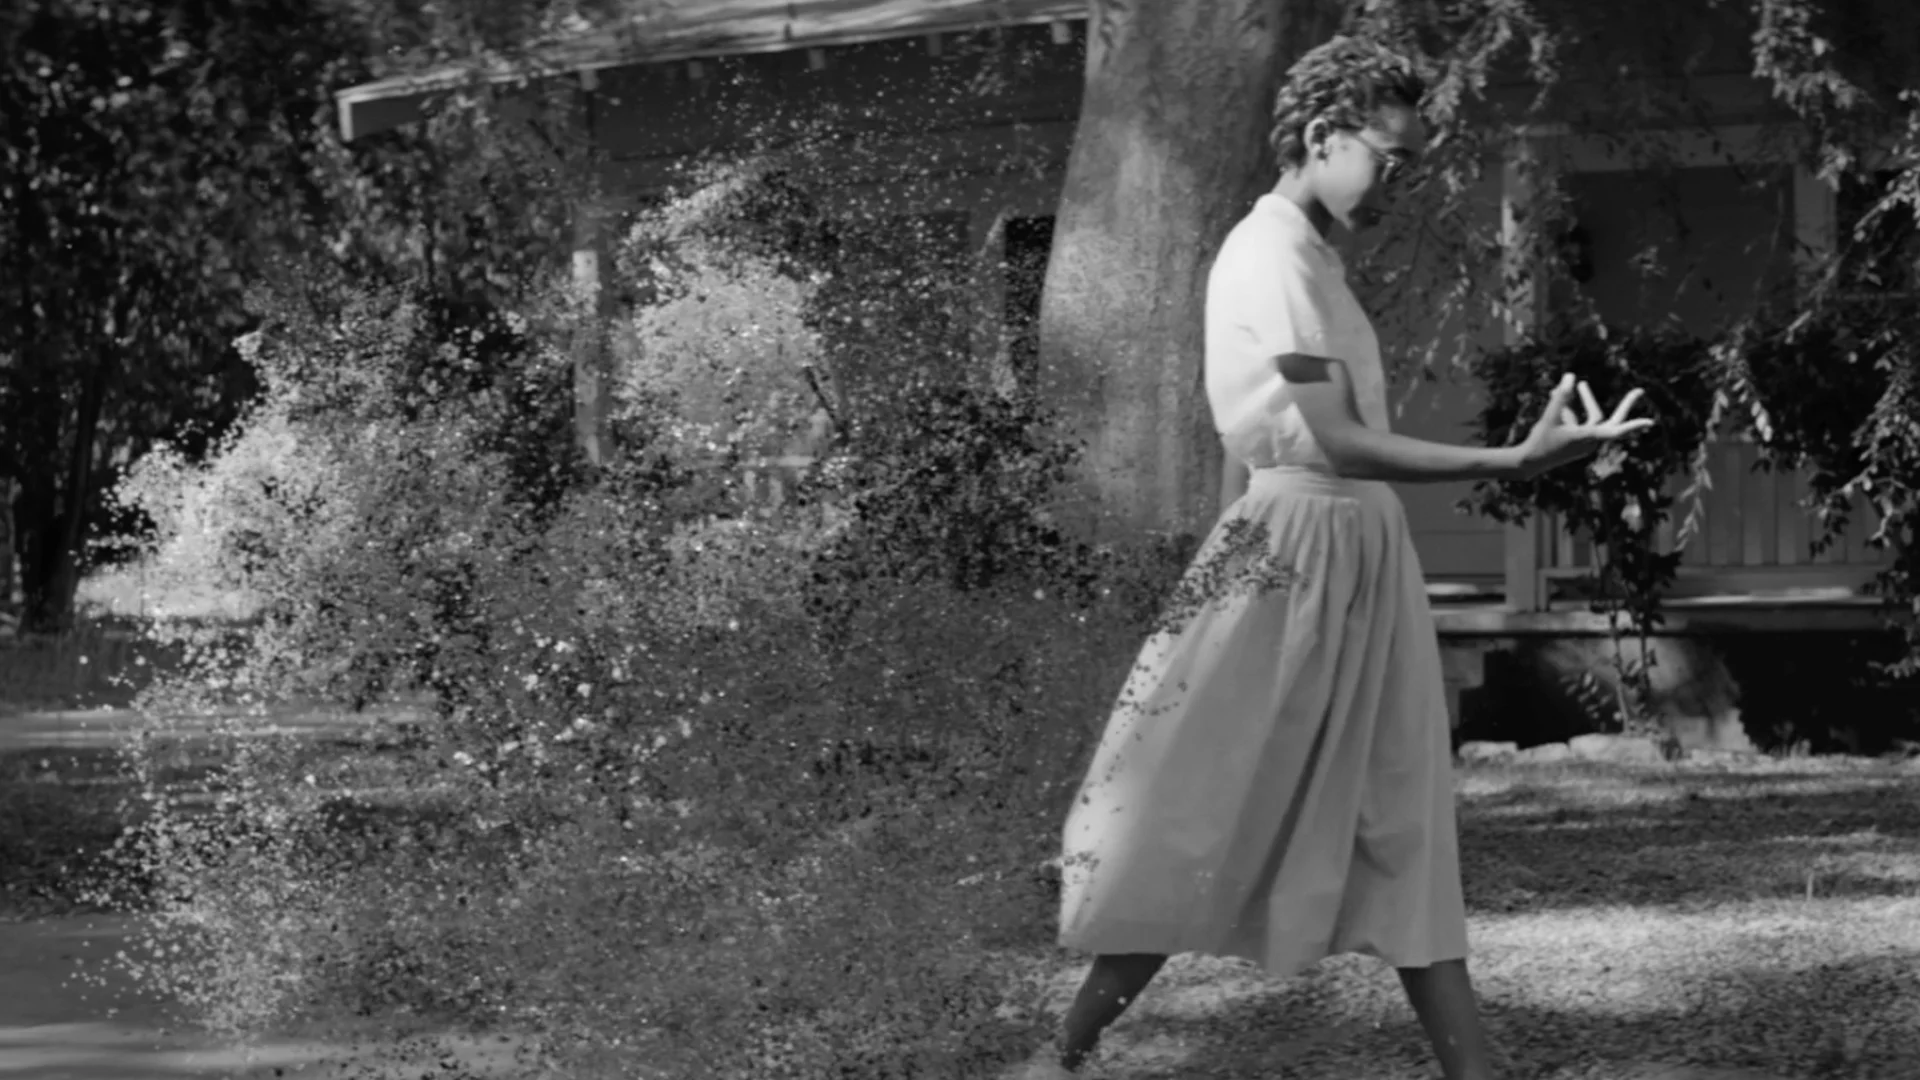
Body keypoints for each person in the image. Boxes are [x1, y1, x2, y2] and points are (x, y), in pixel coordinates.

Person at [1004, 34, 1651, 1080]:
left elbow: (1268, 449)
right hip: (1300, 552)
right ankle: (1061, 1053)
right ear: (1319, 138)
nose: (1397, 182)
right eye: (1387, 159)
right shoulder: (1267, 255)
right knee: (1203, 802)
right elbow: (1337, 442)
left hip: (1350, 552)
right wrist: (1519, 457)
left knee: (1403, 810)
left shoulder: (1314, 261)